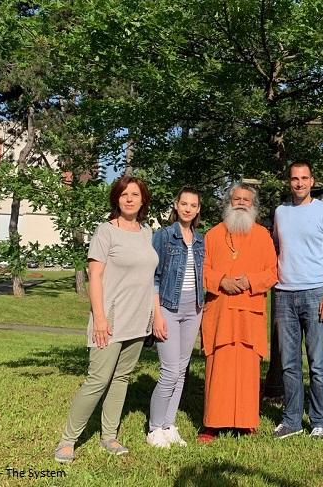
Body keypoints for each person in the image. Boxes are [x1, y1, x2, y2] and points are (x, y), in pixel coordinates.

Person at [54, 176, 158, 463]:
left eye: (134, 194)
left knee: (121, 378)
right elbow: (94, 276)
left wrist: (153, 314)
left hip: (138, 320)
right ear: (116, 199)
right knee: (98, 379)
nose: (129, 199)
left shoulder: (147, 232)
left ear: (142, 200)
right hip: (110, 319)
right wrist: (99, 318)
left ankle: (109, 436)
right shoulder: (105, 231)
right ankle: (67, 440)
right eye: (123, 194)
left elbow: (149, 278)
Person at [198, 183, 278, 443]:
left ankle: (246, 422)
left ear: (253, 205)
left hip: (248, 312)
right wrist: (221, 280)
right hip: (220, 313)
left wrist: (249, 281)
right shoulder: (212, 235)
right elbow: (203, 269)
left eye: (246, 199)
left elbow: (272, 273)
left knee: (247, 370)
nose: (241, 203)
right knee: (218, 369)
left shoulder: (263, 235)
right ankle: (212, 424)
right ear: (228, 203)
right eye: (236, 199)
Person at [272, 161, 323, 440]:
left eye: (304, 178)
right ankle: (291, 420)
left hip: (315, 293)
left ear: (312, 181)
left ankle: (319, 421)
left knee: (317, 364)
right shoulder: (280, 212)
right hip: (284, 294)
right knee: (289, 363)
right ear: (289, 182)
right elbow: (276, 248)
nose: (299, 183)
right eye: (294, 178)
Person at [146, 187, 204, 448]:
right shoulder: (164, 236)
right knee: (169, 371)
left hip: (194, 309)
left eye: (193, 205)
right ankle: (154, 428)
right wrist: (156, 315)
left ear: (198, 209)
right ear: (176, 205)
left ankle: (169, 425)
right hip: (168, 307)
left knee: (181, 371)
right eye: (184, 203)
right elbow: (153, 278)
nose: (188, 208)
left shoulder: (201, 239)